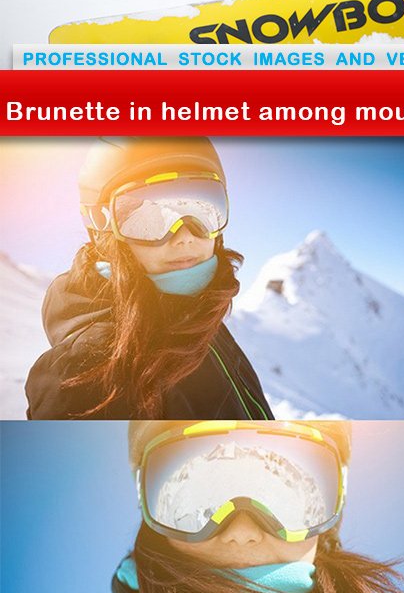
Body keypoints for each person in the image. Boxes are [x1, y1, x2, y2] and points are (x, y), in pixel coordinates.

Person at [26, 420, 404, 593]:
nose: (241, 532)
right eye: (198, 505)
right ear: (151, 511)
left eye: (284, 500)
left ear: (329, 514)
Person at [25, 137, 273, 422]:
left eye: (203, 211)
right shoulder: (83, 372)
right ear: (103, 228)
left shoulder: (201, 317)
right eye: (151, 219)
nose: (186, 236)